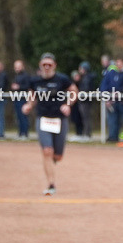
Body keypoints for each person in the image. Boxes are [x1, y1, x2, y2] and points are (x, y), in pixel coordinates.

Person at [22, 53, 76, 195]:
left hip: (59, 119)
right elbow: (32, 97)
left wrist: (68, 104)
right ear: (40, 65)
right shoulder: (34, 81)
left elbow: (74, 91)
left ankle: (54, 160)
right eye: (44, 64)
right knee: (47, 151)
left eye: (49, 65)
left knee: (57, 156)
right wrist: (29, 105)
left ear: (54, 66)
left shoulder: (62, 79)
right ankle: (51, 184)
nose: (47, 67)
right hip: (43, 118)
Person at [11, 60, 33, 139]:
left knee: (24, 116)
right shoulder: (16, 76)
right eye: (16, 67)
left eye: (19, 66)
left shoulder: (26, 76)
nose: (17, 68)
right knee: (18, 116)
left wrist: (19, 87)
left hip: (23, 99)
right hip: (17, 98)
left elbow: (28, 86)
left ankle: (25, 133)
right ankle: (20, 133)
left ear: (22, 66)